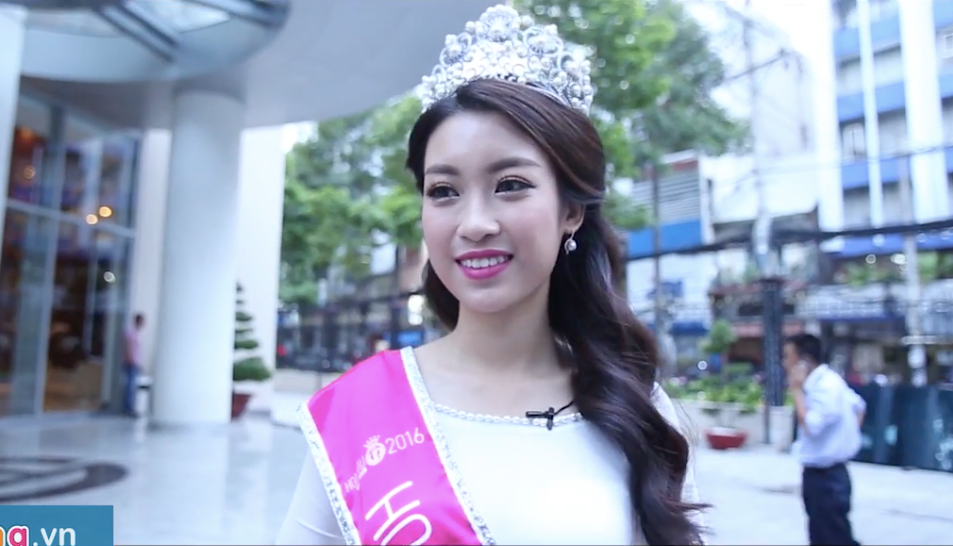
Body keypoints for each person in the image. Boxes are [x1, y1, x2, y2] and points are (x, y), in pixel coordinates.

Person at [276, 6, 706, 545]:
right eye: (444, 191)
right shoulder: (359, 410)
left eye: (510, 185)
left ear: (571, 210)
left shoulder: (636, 408)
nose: (475, 223)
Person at [784, 333, 865, 546]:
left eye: (788, 357)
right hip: (825, 474)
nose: (785, 363)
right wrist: (842, 438)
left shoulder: (825, 387)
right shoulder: (828, 381)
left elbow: (812, 426)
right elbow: (859, 407)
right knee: (826, 533)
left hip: (827, 478)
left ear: (804, 361)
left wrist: (796, 390)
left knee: (832, 536)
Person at [123, 313, 145, 417]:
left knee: (133, 386)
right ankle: (128, 408)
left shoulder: (137, 333)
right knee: (130, 386)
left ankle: (131, 407)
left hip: (136, 362)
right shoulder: (130, 333)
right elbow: (128, 348)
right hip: (131, 362)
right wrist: (130, 360)